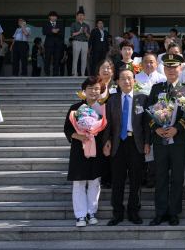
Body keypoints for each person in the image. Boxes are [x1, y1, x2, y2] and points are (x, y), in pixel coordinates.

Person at [146, 53, 185, 226]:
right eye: (168, 67)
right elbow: (147, 112)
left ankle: (174, 212)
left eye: (174, 67)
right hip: (160, 141)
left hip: (179, 141)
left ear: (180, 69)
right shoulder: (156, 88)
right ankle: (160, 213)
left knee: (177, 178)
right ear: (164, 69)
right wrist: (156, 128)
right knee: (160, 177)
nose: (171, 70)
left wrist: (177, 128)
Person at [103, 68, 151, 226]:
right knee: (117, 180)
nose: (126, 81)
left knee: (136, 180)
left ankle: (133, 212)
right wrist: (106, 141)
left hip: (136, 143)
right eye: (122, 78)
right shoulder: (112, 100)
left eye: (129, 78)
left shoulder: (142, 99)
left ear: (134, 81)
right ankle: (117, 213)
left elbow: (146, 124)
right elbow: (107, 124)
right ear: (117, 82)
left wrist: (146, 143)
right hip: (118, 144)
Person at [64, 76, 107, 227]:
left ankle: (91, 212)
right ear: (84, 90)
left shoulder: (103, 108)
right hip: (79, 150)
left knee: (95, 182)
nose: (93, 91)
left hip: (97, 151)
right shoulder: (75, 108)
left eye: (96, 88)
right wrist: (79, 136)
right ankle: (80, 215)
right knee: (79, 183)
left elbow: (107, 130)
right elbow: (67, 129)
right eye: (90, 88)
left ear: (101, 91)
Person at [95, 59, 116, 189]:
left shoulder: (117, 86)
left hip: (113, 124)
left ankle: (110, 178)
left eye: (108, 68)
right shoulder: (94, 86)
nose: (106, 70)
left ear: (113, 72)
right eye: (103, 67)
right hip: (96, 124)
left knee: (111, 151)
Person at [42, 11, 64, 76]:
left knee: (56, 59)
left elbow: (62, 34)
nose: (54, 17)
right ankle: (47, 73)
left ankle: (56, 73)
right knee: (47, 59)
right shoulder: (46, 24)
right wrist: (52, 31)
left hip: (57, 45)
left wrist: (57, 32)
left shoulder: (59, 24)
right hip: (49, 44)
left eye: (55, 16)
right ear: (49, 17)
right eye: (53, 16)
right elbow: (44, 32)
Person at [71, 9, 90, 77]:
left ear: (84, 16)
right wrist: (79, 32)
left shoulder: (86, 25)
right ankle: (75, 73)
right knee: (75, 58)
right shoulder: (74, 24)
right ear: (77, 16)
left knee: (84, 59)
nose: (80, 16)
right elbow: (72, 34)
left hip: (85, 42)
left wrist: (85, 32)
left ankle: (83, 73)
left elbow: (89, 36)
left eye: (81, 15)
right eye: (79, 15)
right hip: (77, 41)